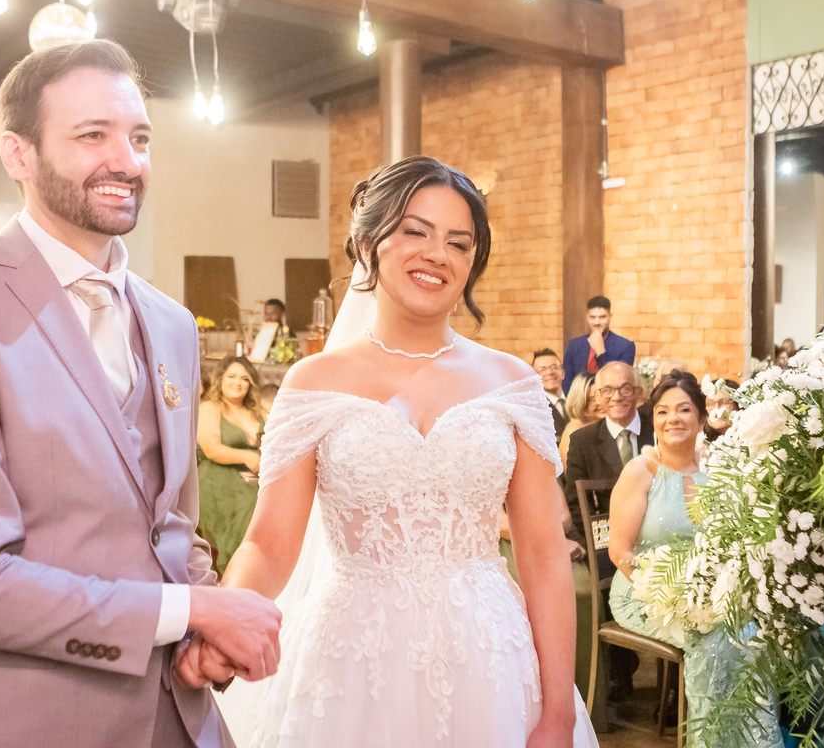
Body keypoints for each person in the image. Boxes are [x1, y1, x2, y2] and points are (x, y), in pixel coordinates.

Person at [0, 40, 279, 748]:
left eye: (139, 138)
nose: (126, 161)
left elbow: (171, 524)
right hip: (27, 720)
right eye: (92, 135)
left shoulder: (171, 323)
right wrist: (189, 611)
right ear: (18, 154)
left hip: (176, 713)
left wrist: (206, 623)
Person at [202, 156, 599, 746]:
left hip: (488, 656)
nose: (438, 254)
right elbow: (269, 544)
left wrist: (559, 711)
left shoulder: (511, 383)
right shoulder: (314, 381)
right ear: (368, 244)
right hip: (352, 656)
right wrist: (225, 617)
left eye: (459, 243)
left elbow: (542, 554)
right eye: (416, 231)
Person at [607, 370, 781, 748]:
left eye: (684, 409)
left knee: (751, 631)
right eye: (663, 411)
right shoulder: (640, 472)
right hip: (645, 591)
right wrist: (671, 595)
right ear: (654, 420)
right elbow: (619, 551)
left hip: (713, 590)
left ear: (702, 417)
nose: (673, 418)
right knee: (714, 638)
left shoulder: (719, 467)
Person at [563, 360, 653, 699]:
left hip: (661, 539)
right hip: (609, 546)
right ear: (597, 396)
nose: (617, 397)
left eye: (625, 388)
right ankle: (620, 672)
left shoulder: (657, 429)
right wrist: (583, 545)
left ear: (639, 392)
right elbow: (574, 502)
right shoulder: (584, 441)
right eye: (608, 390)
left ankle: (675, 684)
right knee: (601, 584)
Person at [197, 356, 266, 575]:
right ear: (221, 379)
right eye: (232, 377)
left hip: (257, 479)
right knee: (250, 507)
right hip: (218, 480)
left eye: (245, 379)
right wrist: (248, 457)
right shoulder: (209, 408)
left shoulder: (257, 411)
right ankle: (241, 576)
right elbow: (211, 448)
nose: (238, 383)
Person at [562, 296, 635, 394]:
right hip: (579, 400)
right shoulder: (574, 345)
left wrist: (600, 353)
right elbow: (566, 382)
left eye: (602, 317)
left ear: (610, 317)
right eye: (592, 317)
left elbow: (620, 380)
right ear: (587, 317)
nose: (597, 322)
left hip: (610, 399)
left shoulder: (626, 346)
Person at [557, 371, 605, 474]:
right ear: (580, 401)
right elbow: (572, 477)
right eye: (593, 399)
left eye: (602, 396)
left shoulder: (606, 426)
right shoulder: (574, 431)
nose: (600, 402)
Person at [533, 348, 568, 442]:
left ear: (563, 373)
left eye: (554, 367)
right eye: (542, 369)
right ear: (535, 378)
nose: (549, 372)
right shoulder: (535, 409)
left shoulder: (576, 400)